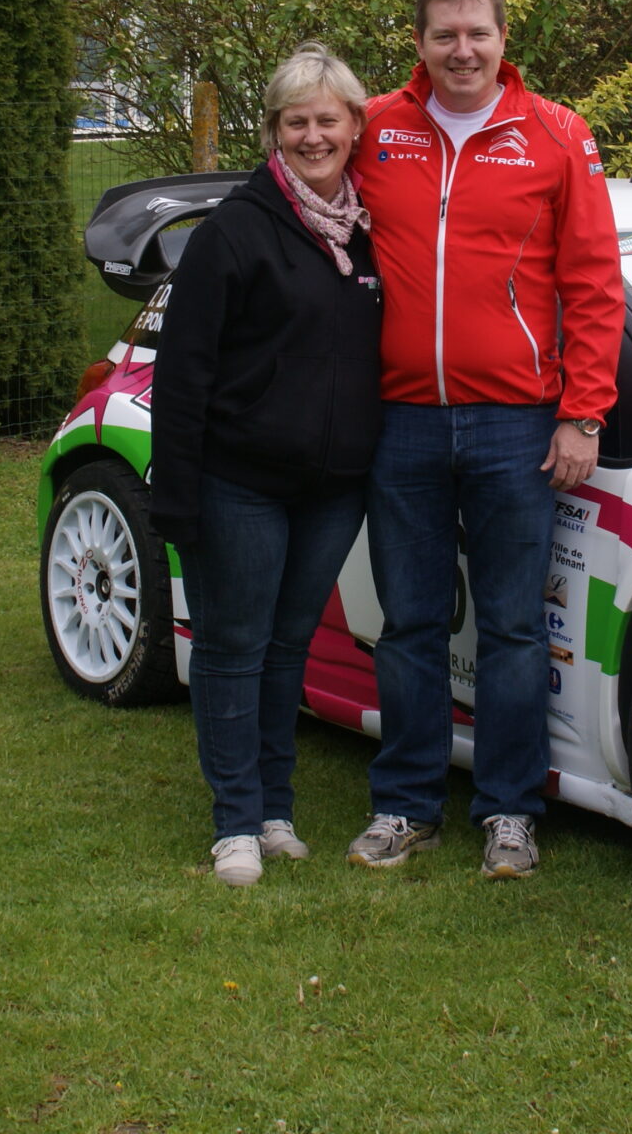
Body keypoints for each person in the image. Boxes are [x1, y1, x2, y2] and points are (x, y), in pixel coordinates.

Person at [344, 0, 624, 880]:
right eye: (443, 34)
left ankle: (508, 810)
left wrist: (583, 413)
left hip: (516, 421)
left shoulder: (556, 135)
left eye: (478, 33)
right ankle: (405, 805)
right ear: (418, 41)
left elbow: (592, 285)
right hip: (401, 421)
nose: (462, 50)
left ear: (505, 38)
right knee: (412, 621)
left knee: (509, 628)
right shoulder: (374, 130)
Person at [149, 44, 386, 888]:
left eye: (328, 119)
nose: (314, 135)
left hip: (333, 490)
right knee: (232, 644)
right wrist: (174, 499)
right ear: (274, 132)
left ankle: (276, 809)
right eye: (297, 121)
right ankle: (234, 823)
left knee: (288, 645)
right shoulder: (234, 233)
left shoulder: (370, 230)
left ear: (355, 126)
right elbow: (181, 376)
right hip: (238, 483)